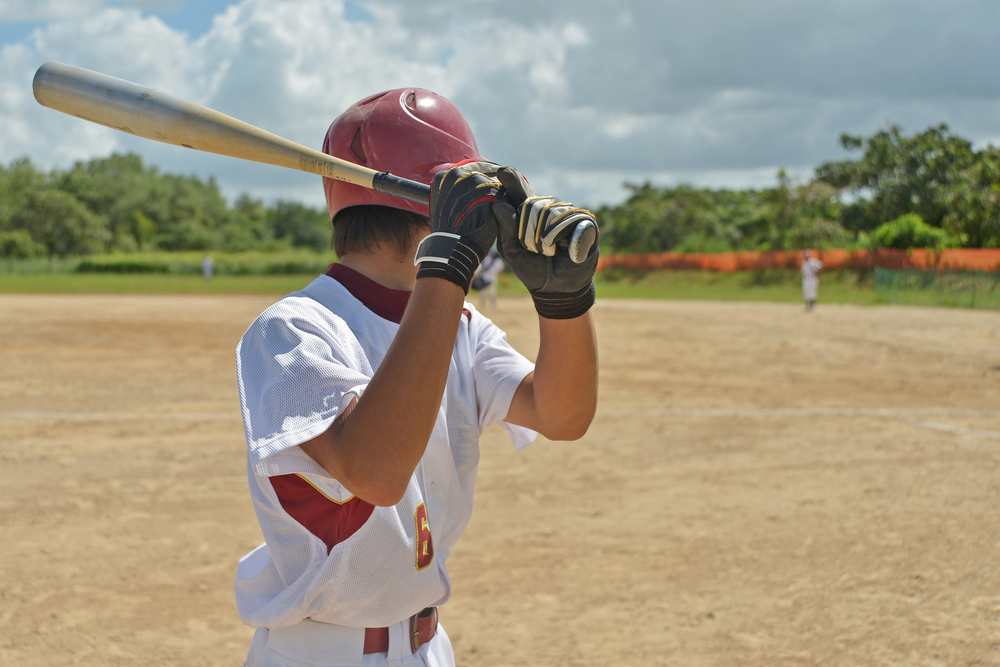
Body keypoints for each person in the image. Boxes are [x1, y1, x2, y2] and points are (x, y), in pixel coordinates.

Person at [233, 88, 600, 667]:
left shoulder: (460, 323)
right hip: (321, 653)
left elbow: (563, 415)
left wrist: (566, 302)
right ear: (433, 204)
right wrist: (449, 262)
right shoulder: (293, 330)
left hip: (427, 647)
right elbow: (377, 472)